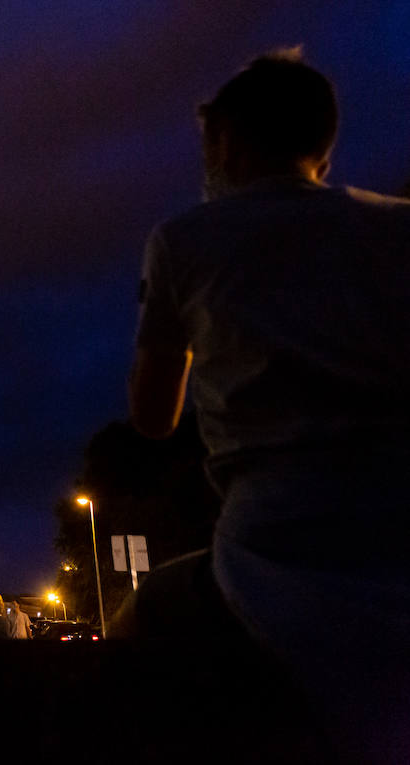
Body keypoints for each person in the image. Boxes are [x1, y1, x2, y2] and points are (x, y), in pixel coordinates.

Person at [128, 50, 410, 762]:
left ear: (225, 140)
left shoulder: (184, 241)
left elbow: (153, 417)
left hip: (272, 534)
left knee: (139, 625)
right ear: (324, 143)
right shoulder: (396, 229)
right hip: (394, 522)